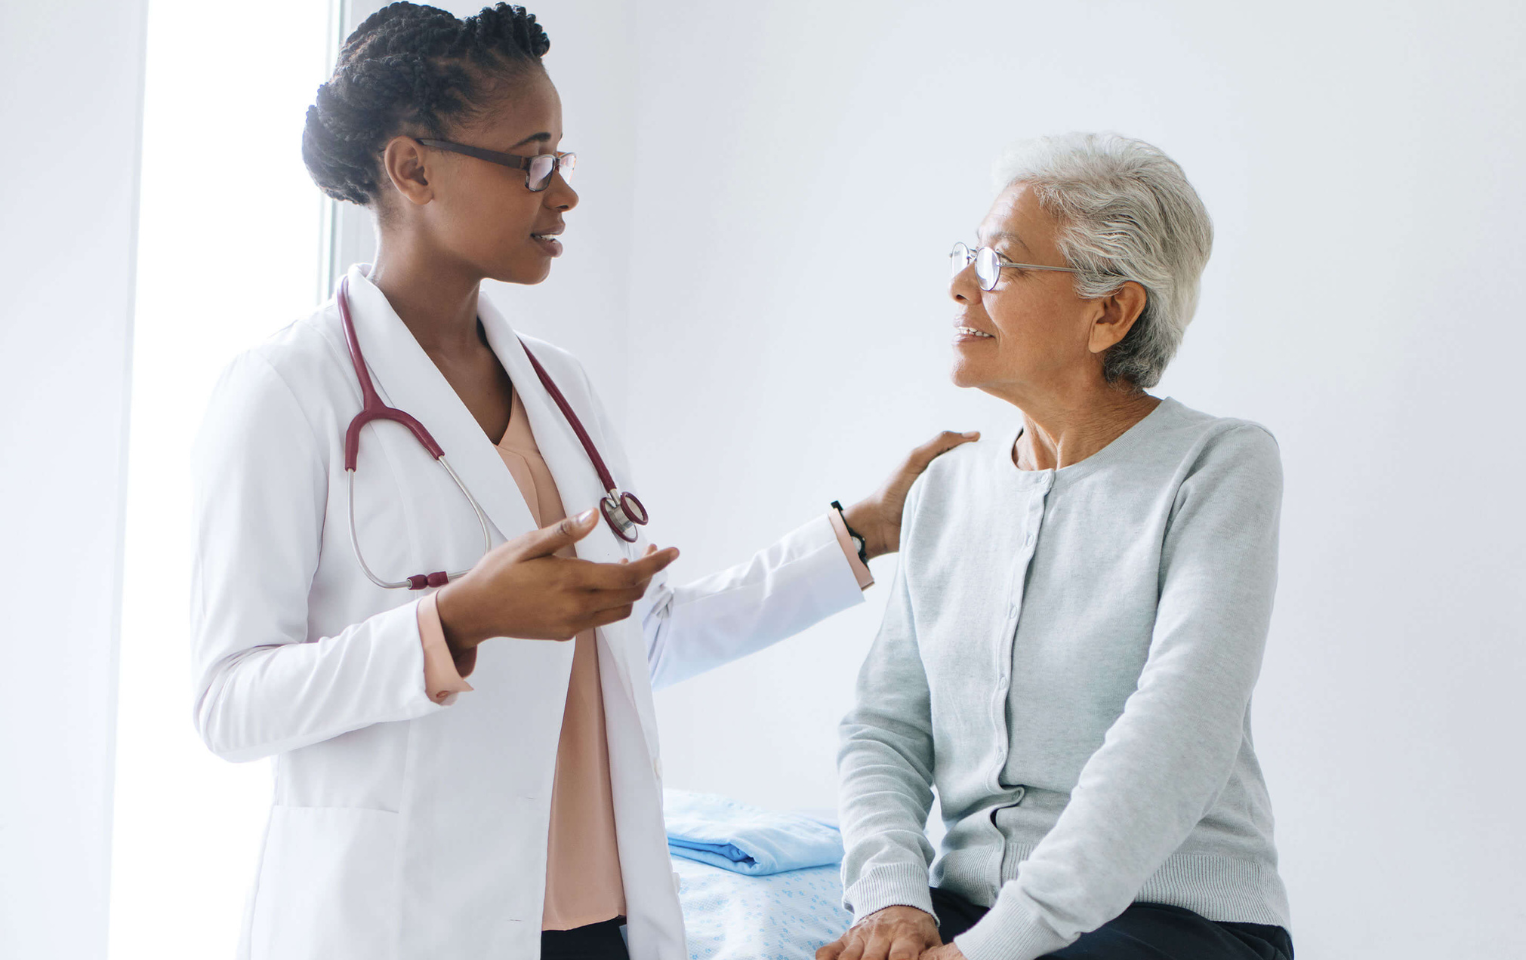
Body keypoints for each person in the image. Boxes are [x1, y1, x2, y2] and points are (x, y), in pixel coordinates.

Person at [188, 5, 973, 959]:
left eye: (562, 161)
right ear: (412, 168)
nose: (562, 196)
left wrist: (861, 535)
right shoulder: (287, 390)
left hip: (600, 921)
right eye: (532, 162)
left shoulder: (561, 387)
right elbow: (231, 702)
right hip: (409, 920)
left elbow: (642, 639)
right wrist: (453, 624)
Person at [821, 133, 1294, 960]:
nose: (961, 283)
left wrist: (993, 949)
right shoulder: (945, 490)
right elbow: (883, 728)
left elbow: (1176, 736)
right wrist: (892, 901)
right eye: (971, 254)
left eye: (1002, 264)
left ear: (1110, 312)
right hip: (965, 912)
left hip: (1173, 922)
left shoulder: (1216, 468)